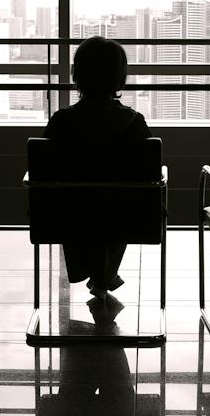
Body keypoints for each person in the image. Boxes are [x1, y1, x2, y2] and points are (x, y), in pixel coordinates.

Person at [43, 35, 151, 296]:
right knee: (114, 202)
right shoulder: (134, 123)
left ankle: (96, 273)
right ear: (120, 76)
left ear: (77, 74)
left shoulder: (61, 123)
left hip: (67, 216)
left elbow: (44, 173)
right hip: (125, 217)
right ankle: (104, 275)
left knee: (84, 203)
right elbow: (148, 176)